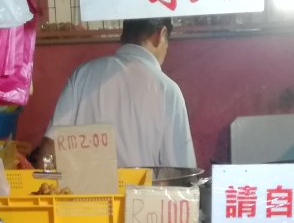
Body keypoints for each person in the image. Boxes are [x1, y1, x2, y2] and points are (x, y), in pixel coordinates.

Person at [38, 18, 197, 168]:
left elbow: (49, 150)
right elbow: (182, 172)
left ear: (124, 34)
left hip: (80, 196)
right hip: (142, 197)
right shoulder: (168, 91)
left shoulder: (82, 75)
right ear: (160, 35)